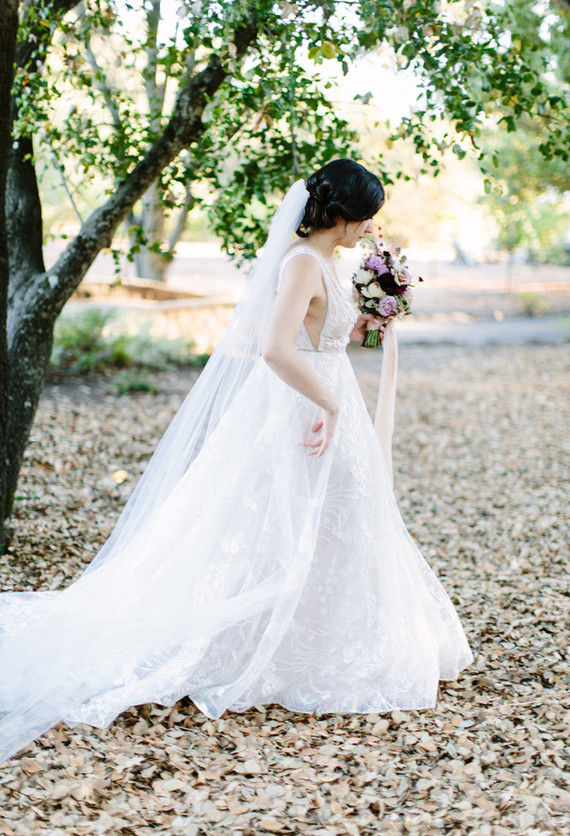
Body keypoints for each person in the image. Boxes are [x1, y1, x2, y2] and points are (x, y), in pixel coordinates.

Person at [0, 159, 473, 762]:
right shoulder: (301, 262)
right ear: (335, 213)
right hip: (302, 403)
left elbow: (323, 334)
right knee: (279, 517)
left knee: (342, 514)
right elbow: (275, 347)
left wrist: (376, 316)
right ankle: (268, 644)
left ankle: (323, 636)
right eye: (362, 218)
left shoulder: (330, 264)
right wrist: (327, 401)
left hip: (329, 398)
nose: (366, 230)